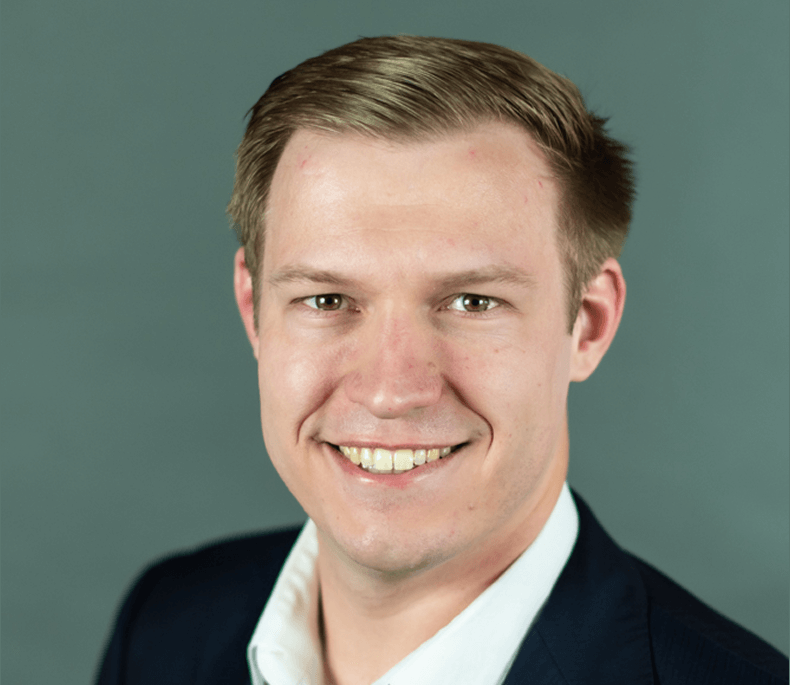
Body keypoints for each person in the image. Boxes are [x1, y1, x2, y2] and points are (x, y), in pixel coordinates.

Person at [96, 36, 788, 685]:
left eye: (472, 302)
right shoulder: (166, 625)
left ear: (589, 323)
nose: (392, 389)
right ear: (253, 310)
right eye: (328, 298)